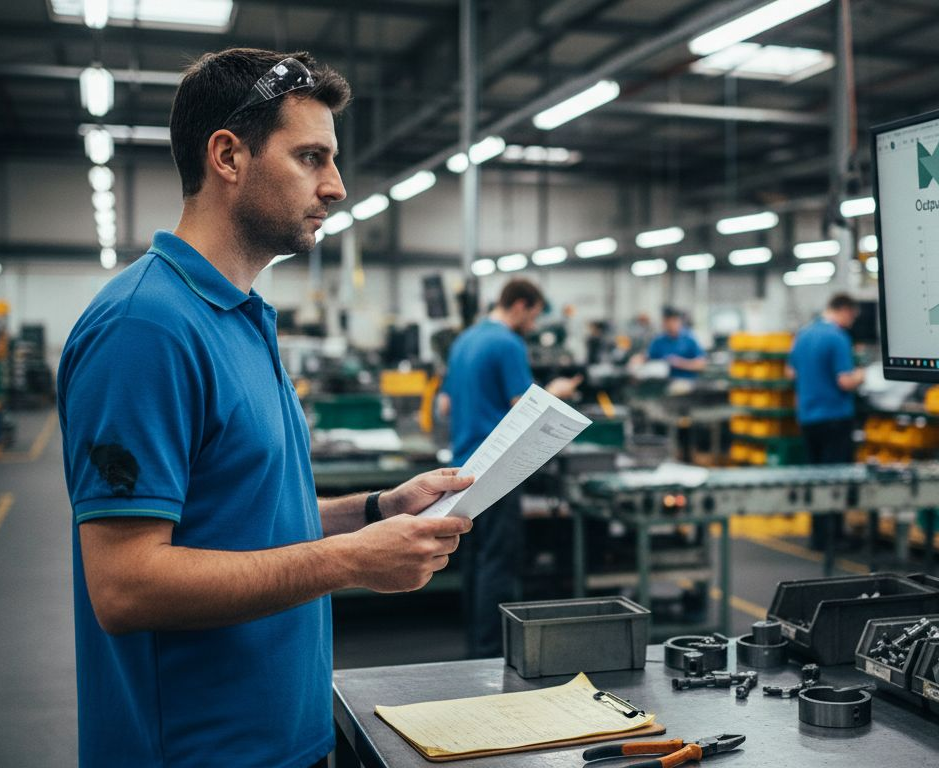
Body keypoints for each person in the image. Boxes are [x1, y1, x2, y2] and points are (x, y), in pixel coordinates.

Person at [57, 48, 474, 768]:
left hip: (289, 735)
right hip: (196, 751)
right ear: (227, 156)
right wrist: (350, 561)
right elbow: (125, 585)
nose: (337, 187)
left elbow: (241, 518)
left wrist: (376, 510)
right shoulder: (146, 327)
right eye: (311, 157)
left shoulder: (241, 315)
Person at [437, 279, 580, 657]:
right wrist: (558, 392)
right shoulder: (508, 344)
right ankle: (490, 653)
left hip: (461, 467)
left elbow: (444, 406)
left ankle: (474, 644)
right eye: (532, 315)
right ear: (519, 305)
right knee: (498, 562)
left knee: (473, 557)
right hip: (497, 470)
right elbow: (524, 407)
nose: (532, 325)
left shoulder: (465, 340)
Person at [787, 293, 866, 549]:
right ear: (844, 310)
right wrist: (865, 375)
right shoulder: (837, 337)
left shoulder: (804, 334)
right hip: (834, 417)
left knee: (817, 478)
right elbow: (844, 380)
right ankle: (834, 537)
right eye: (851, 317)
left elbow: (790, 371)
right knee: (835, 480)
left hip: (808, 417)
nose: (851, 322)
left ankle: (819, 536)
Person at [645, 307, 706, 379]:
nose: (670, 324)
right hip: (662, 383)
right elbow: (648, 358)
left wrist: (680, 363)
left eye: (674, 321)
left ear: (680, 321)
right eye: (667, 321)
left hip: (686, 382)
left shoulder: (690, 339)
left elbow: (701, 365)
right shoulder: (658, 341)